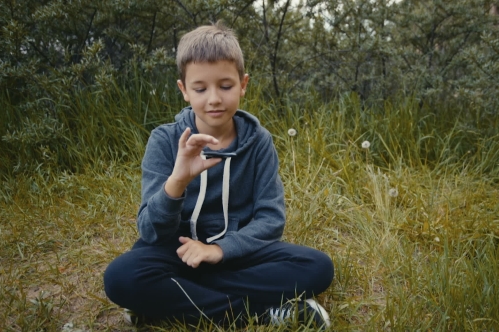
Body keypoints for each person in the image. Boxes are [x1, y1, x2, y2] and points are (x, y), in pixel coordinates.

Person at [103, 21, 334, 329]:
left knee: (317, 267)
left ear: (243, 84)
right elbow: (150, 231)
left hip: (236, 254)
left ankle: (167, 304)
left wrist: (217, 251)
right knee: (121, 277)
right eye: (200, 88)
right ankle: (261, 313)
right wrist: (178, 181)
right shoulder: (164, 140)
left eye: (225, 86)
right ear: (184, 90)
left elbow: (270, 219)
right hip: (176, 253)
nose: (213, 99)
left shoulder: (259, 141)